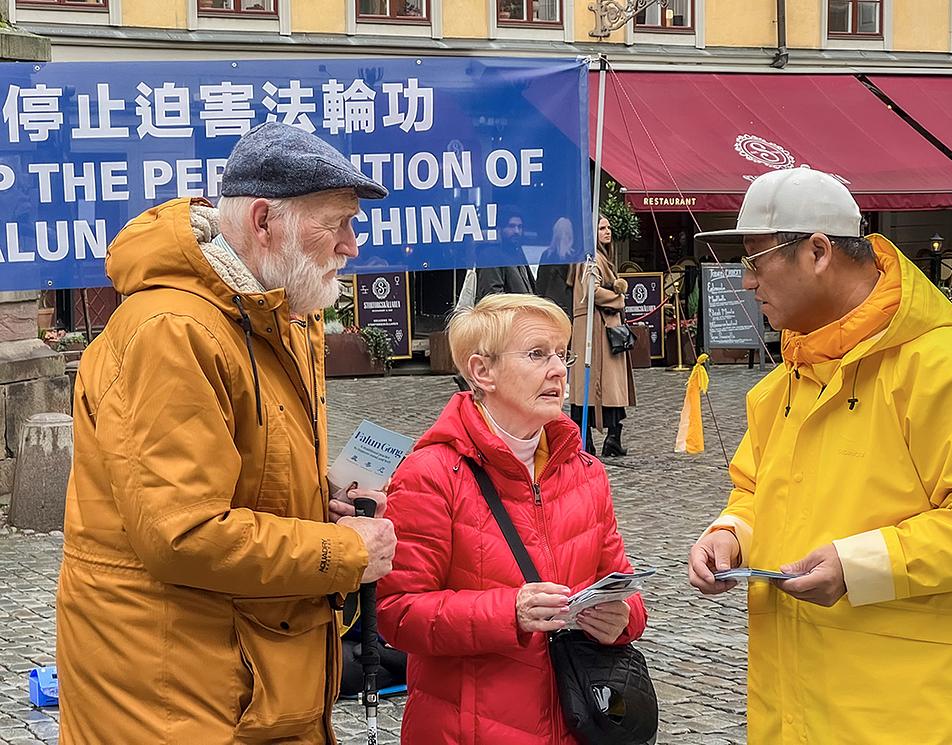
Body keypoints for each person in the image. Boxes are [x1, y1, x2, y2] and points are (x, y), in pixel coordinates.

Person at [56, 122, 398, 744]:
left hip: (243, 677)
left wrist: (317, 500)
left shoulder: (275, 314)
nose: (352, 245)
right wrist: (345, 554)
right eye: (337, 223)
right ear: (265, 221)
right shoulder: (172, 330)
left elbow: (243, 474)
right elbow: (183, 533)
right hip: (176, 697)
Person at [687, 167, 952, 744]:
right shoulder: (781, 385)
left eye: (755, 261)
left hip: (913, 713)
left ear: (819, 252)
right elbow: (756, 492)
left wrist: (862, 567)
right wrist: (731, 534)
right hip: (792, 707)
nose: (746, 282)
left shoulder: (948, 368)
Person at [377, 293, 648, 744]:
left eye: (561, 354)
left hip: (577, 719)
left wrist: (623, 619)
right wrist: (510, 613)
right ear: (483, 372)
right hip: (469, 729)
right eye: (537, 354)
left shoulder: (585, 472)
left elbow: (622, 584)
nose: (559, 370)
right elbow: (397, 613)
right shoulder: (430, 473)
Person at [568, 214, 636, 457]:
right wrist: (618, 298)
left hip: (601, 327)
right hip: (597, 330)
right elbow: (591, 291)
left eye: (608, 228)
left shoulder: (595, 257)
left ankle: (608, 438)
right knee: (601, 386)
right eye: (602, 228)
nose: (607, 232)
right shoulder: (590, 259)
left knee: (608, 386)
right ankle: (595, 440)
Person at [475, 208, 536, 301]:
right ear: (500, 229)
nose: (517, 231)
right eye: (511, 226)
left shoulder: (517, 252)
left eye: (520, 227)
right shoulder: (491, 254)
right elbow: (492, 296)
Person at [535, 216, 575, 320]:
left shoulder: (546, 255)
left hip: (549, 305)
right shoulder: (574, 257)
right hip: (568, 306)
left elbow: (540, 284)